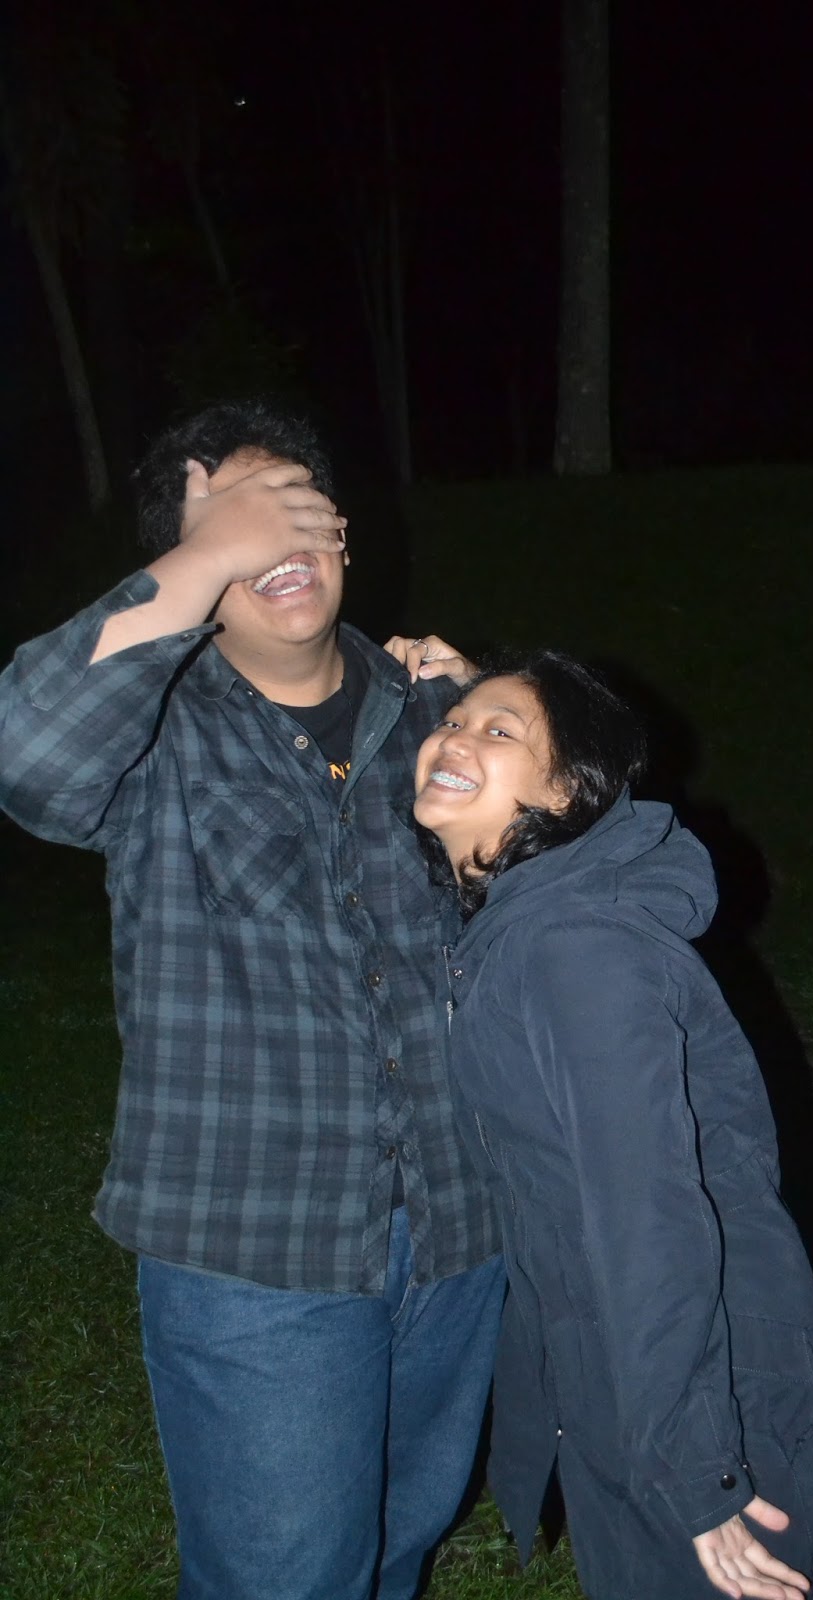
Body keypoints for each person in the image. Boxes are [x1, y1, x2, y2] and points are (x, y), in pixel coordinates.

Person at [0, 399, 504, 1600]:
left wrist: (496, 709)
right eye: (233, 523)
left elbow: (581, 870)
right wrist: (210, 550)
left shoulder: (433, 717)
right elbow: (24, 752)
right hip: (253, 1250)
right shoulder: (148, 730)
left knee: (399, 1541)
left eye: (294, 510)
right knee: (281, 1577)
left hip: (459, 1225)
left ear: (343, 533)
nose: (273, 541)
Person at [412, 650, 813, 1600]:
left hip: (705, 1387)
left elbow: (651, 1215)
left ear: (567, 793)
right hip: (624, 1373)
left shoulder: (577, 949)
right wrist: (464, 699)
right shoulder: (524, 928)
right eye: (449, 723)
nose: (451, 738)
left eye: (496, 730)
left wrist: (699, 1469)